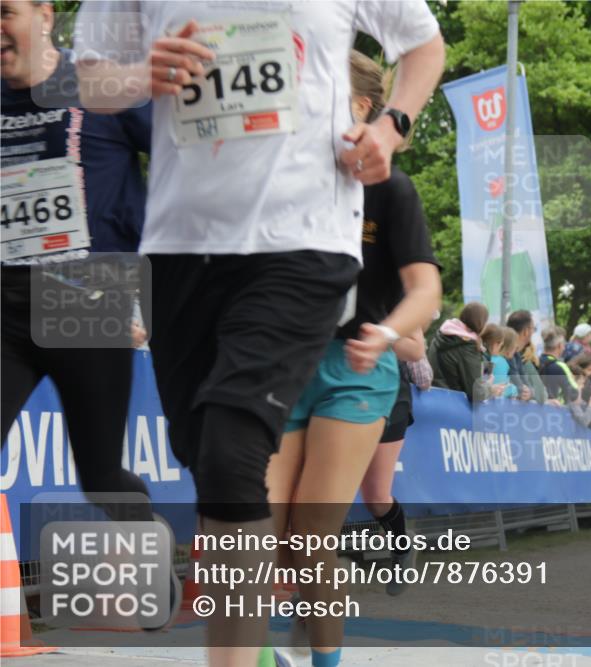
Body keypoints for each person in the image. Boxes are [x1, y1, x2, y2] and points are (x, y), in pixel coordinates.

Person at [74, 3, 445, 664]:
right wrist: (139, 77)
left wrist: (392, 128)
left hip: (302, 242)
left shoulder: (396, 197)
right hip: (179, 247)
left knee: (239, 461)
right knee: (209, 464)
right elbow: (90, 78)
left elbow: (423, 47)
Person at [0, 0, 175, 627]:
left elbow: (181, 168)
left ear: (44, 14)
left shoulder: (98, 86)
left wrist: (151, 292)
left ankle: (145, 537)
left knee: (99, 475)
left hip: (88, 293)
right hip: (5, 303)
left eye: (4, 11)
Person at [265, 47, 442, 664]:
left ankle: (323, 661)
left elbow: (426, 292)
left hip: (354, 372)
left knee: (311, 539)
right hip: (281, 366)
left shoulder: (393, 191)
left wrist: (388, 332)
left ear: (362, 108)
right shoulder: (281, 175)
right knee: (259, 534)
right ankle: (279, 640)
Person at [428, 303, 495, 402]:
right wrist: (490, 388)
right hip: (455, 406)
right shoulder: (467, 346)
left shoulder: (442, 335)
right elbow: (477, 394)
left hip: (435, 399)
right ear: (481, 323)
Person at [505, 310, 547, 403]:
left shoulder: (521, 356)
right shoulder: (522, 359)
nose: (533, 332)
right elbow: (540, 395)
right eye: (533, 328)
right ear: (526, 331)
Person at [540, 327, 580, 404]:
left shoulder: (535, 362)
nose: (564, 348)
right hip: (556, 410)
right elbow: (574, 394)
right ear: (559, 345)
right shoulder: (560, 366)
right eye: (564, 345)